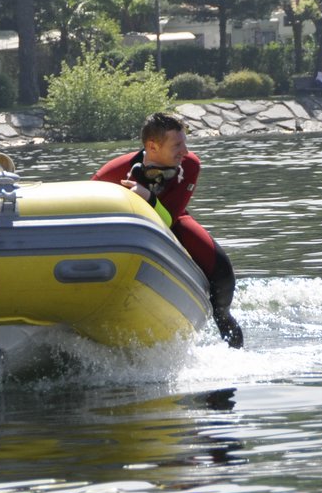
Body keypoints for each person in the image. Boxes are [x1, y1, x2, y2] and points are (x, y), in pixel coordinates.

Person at [92, 111, 244, 348]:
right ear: (152, 146)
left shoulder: (190, 164)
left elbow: (169, 219)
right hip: (125, 231)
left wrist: (148, 198)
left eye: (185, 142)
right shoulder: (112, 172)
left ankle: (225, 321)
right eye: (177, 145)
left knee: (222, 270)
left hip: (173, 218)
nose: (185, 151)